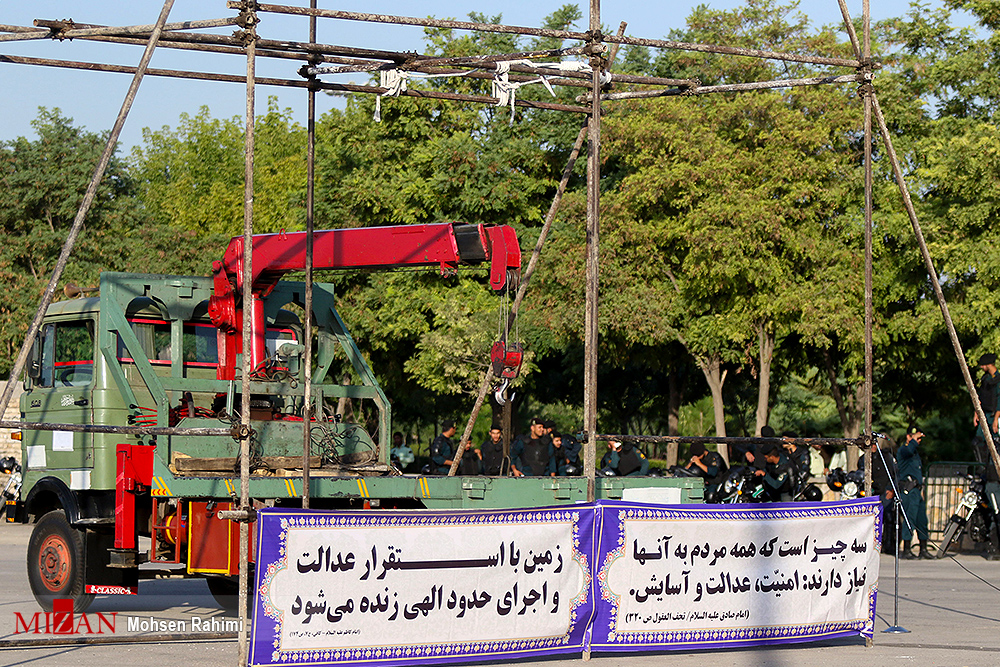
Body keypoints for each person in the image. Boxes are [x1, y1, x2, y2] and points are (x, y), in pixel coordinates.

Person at [897, 424, 931, 559]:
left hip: (917, 490)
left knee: (922, 520)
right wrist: (913, 441)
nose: (918, 441)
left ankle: (923, 549)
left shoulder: (915, 453)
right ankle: (906, 549)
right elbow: (908, 451)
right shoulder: (904, 450)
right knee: (909, 519)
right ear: (908, 437)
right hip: (909, 490)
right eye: (916, 438)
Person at [976, 353, 1000, 441]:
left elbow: (999, 400)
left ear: (989, 365)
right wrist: (976, 413)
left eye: (983, 365)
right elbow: (981, 396)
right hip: (984, 414)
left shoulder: (998, 380)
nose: (981, 367)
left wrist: (996, 419)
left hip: (994, 415)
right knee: (978, 442)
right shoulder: (986, 379)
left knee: (996, 442)